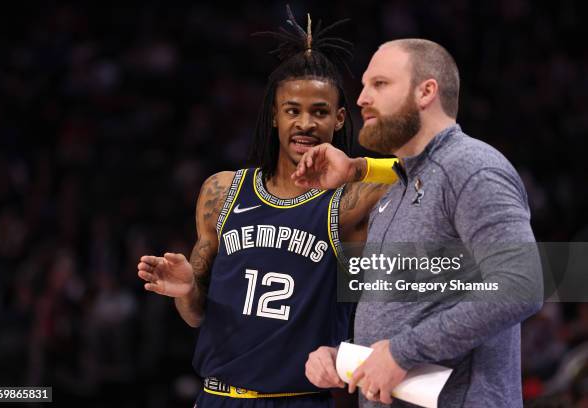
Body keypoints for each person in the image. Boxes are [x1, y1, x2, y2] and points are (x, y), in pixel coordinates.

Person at [136, 8, 398, 408]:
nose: (306, 124)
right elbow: (196, 316)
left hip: (298, 398)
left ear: (340, 119)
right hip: (215, 397)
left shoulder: (350, 199)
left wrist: (360, 166)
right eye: (293, 110)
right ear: (275, 116)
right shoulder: (222, 191)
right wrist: (187, 290)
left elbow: (434, 166)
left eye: (320, 112)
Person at [295, 39, 543, 407]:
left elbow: (520, 285)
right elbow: (399, 318)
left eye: (379, 84)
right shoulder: (395, 190)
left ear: (426, 91)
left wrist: (401, 352)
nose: (361, 98)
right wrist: (343, 358)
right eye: (363, 86)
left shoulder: (471, 168)